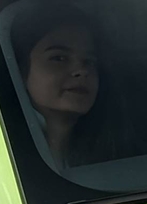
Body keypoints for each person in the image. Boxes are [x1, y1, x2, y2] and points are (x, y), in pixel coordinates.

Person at [21, 14, 103, 166]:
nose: (82, 71)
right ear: (21, 70)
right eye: (59, 58)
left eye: (89, 61)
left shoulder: (123, 154)